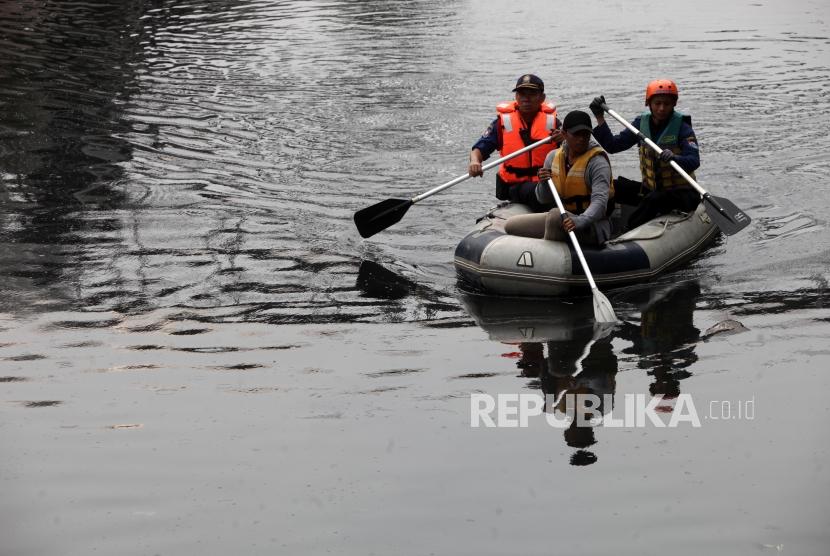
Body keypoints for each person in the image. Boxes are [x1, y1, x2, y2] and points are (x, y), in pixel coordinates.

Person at [589, 79, 701, 230]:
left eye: (666, 104)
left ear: (674, 104)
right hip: (651, 190)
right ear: (649, 104)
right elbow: (613, 146)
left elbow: (694, 161)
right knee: (614, 186)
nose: (661, 108)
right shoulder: (640, 124)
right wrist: (599, 117)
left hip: (682, 194)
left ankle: (628, 230)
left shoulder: (683, 128)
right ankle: (595, 221)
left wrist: (675, 158)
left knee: (655, 199)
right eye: (657, 103)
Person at [503, 110, 614, 246]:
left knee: (555, 216)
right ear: (564, 134)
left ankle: (546, 258)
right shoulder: (552, 157)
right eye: (576, 134)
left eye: (586, 134)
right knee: (512, 226)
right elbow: (543, 198)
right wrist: (543, 183)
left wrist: (580, 220)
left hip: (591, 226)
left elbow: (600, 202)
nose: (582, 139)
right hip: (565, 218)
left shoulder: (597, 162)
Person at [469, 74, 563, 212]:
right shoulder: (502, 123)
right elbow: (479, 149)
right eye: (522, 94)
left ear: (542, 98)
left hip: (546, 183)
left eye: (532, 93)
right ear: (516, 97)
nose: (526, 98)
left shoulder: (554, 124)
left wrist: (565, 139)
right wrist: (474, 162)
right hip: (516, 186)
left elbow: (574, 149)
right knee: (537, 192)